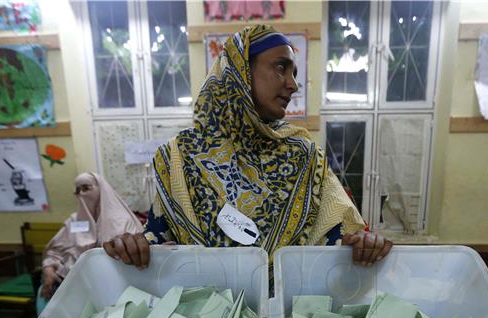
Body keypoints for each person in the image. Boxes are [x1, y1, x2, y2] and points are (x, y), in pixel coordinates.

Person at [103, 25, 392, 269]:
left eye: (294, 73)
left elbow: (337, 236)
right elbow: (158, 233)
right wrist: (135, 244)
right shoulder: (180, 156)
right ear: (240, 71)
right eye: (281, 68)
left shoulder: (305, 155)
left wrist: (361, 244)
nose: (293, 85)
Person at [41, 172, 143, 303]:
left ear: (100, 189)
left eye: (86, 188)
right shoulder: (74, 221)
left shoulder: (122, 221)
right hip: (72, 287)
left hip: (114, 289)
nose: (81, 194)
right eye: (77, 190)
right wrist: (48, 270)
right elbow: (54, 251)